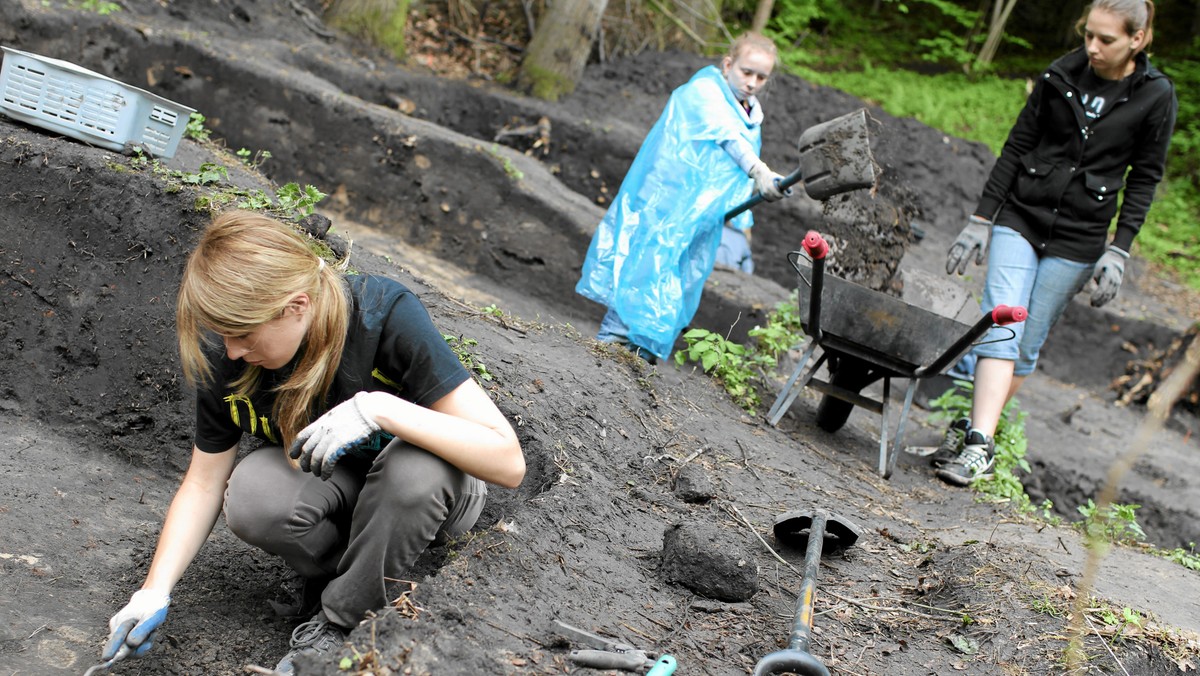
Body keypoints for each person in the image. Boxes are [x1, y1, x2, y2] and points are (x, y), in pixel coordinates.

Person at [99, 211, 525, 673]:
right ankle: (356, 578)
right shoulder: (230, 352)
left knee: (413, 470)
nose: (235, 351)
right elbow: (204, 484)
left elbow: (507, 461)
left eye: (244, 335)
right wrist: (153, 591)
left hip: (434, 494)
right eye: (226, 336)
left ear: (297, 306)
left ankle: (343, 623)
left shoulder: (383, 316)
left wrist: (381, 410)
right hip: (343, 487)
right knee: (255, 492)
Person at [934, 0, 1176, 486]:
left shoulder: (1155, 96)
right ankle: (980, 445)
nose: (1092, 47)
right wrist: (981, 219)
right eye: (1088, 34)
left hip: (1080, 237)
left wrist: (1120, 250)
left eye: (1105, 39)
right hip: (1021, 215)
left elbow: (1145, 178)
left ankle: (972, 428)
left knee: (1025, 348)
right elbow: (1018, 144)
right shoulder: (1060, 74)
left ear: (1138, 40)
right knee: (1003, 319)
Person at [576, 32, 792, 363]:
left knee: (676, 284)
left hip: (699, 217)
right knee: (644, 273)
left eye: (761, 77)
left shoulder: (750, 113)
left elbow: (728, 169)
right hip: (666, 203)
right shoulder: (704, 92)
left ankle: (640, 363)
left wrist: (765, 181)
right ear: (728, 64)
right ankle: (605, 356)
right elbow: (727, 139)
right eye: (747, 72)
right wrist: (761, 171)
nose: (752, 82)